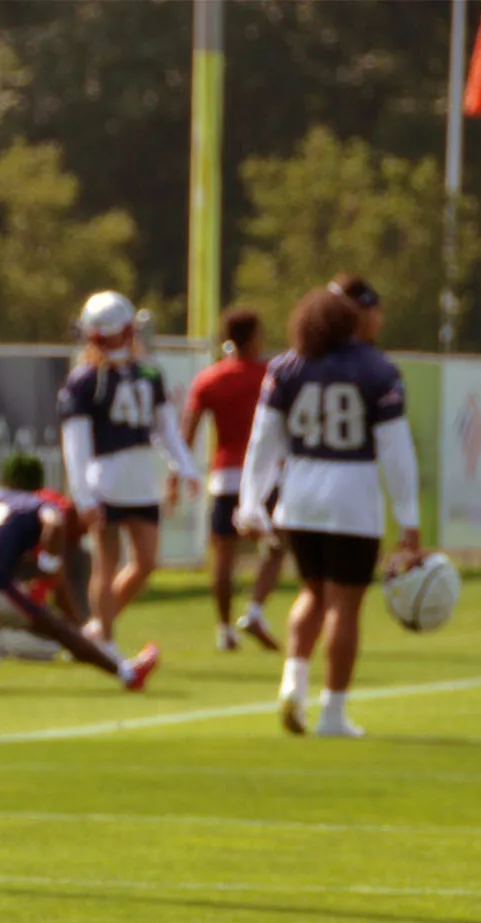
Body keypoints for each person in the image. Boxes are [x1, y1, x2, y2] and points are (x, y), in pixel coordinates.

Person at [237, 275, 422, 737]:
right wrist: (410, 521)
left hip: (299, 494)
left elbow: (263, 442)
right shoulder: (377, 370)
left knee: (310, 593)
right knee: (344, 605)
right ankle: (333, 714)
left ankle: (292, 686)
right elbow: (397, 453)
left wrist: (251, 502)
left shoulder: (287, 365)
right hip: (351, 494)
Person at [0, 453, 159, 692]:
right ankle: (127, 673)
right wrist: (48, 565)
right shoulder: (36, 502)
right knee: (61, 630)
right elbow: (54, 525)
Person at [59, 291, 201, 662]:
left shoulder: (147, 372)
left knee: (145, 563)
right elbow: (76, 444)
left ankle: (95, 630)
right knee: (106, 564)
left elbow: (165, 429)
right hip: (107, 478)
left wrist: (184, 466)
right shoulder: (87, 379)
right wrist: (84, 496)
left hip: (138, 480)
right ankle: (104, 639)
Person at [175, 306, 287, 651]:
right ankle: (254, 609)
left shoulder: (209, 378)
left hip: (224, 475)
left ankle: (224, 630)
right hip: (266, 474)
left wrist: (180, 473)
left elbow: (187, 433)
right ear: (253, 337)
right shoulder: (271, 375)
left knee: (223, 554)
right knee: (277, 544)